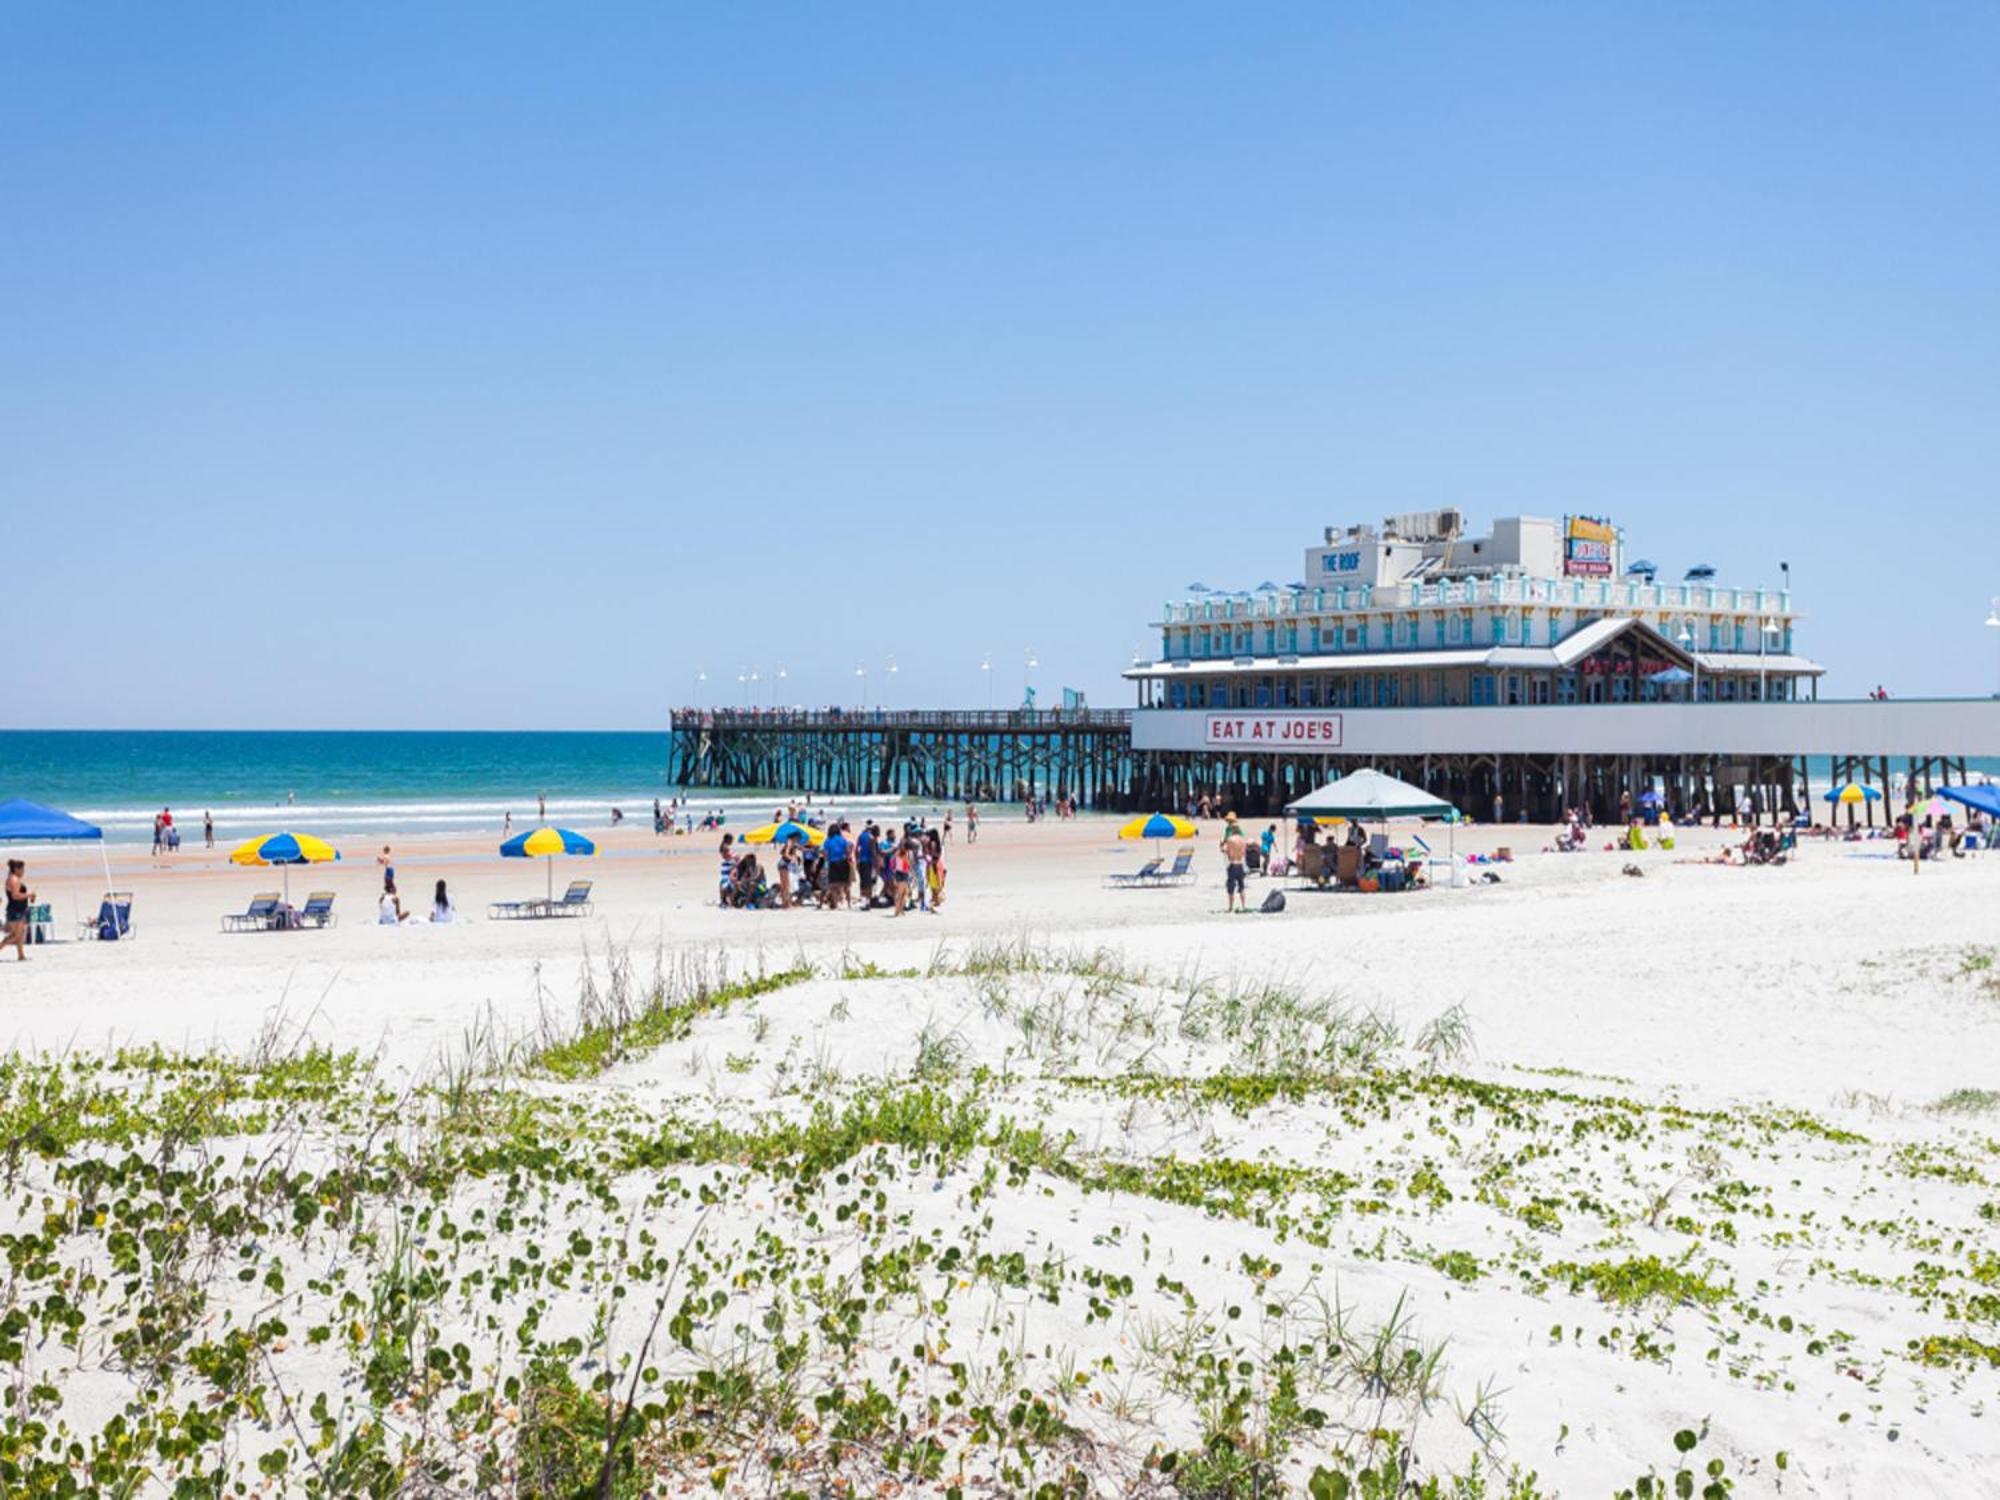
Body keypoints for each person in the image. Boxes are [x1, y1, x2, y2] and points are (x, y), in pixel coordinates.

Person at [2, 860, 33, 962]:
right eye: (22, 869)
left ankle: (21, 955)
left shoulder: (12, 878)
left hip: (18, 909)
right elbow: (15, 896)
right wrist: (28, 895)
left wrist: (29, 897)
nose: (23, 872)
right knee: (15, 936)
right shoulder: (14, 879)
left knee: (20, 935)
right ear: (16, 869)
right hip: (16, 910)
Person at [1221, 820, 1249, 914]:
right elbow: (1244, 853)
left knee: (1231, 887)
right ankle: (1243, 906)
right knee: (1241, 886)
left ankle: (1230, 907)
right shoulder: (1242, 840)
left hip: (1232, 864)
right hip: (1240, 864)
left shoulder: (1230, 840)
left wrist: (1222, 845)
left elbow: (1225, 850)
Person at [823, 822, 852, 908]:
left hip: (833, 863)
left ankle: (835, 904)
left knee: (833, 885)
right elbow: (847, 851)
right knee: (846, 885)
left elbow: (825, 854)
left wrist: (827, 860)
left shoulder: (828, 840)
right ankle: (849, 904)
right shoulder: (842, 839)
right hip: (843, 862)